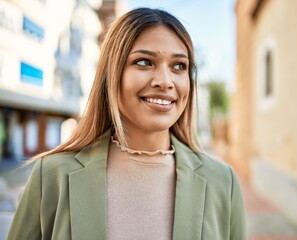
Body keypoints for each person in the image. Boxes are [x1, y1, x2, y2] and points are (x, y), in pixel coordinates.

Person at [8, 8, 246, 240]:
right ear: (112, 74)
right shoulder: (51, 175)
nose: (165, 81)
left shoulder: (223, 181)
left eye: (178, 66)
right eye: (144, 62)